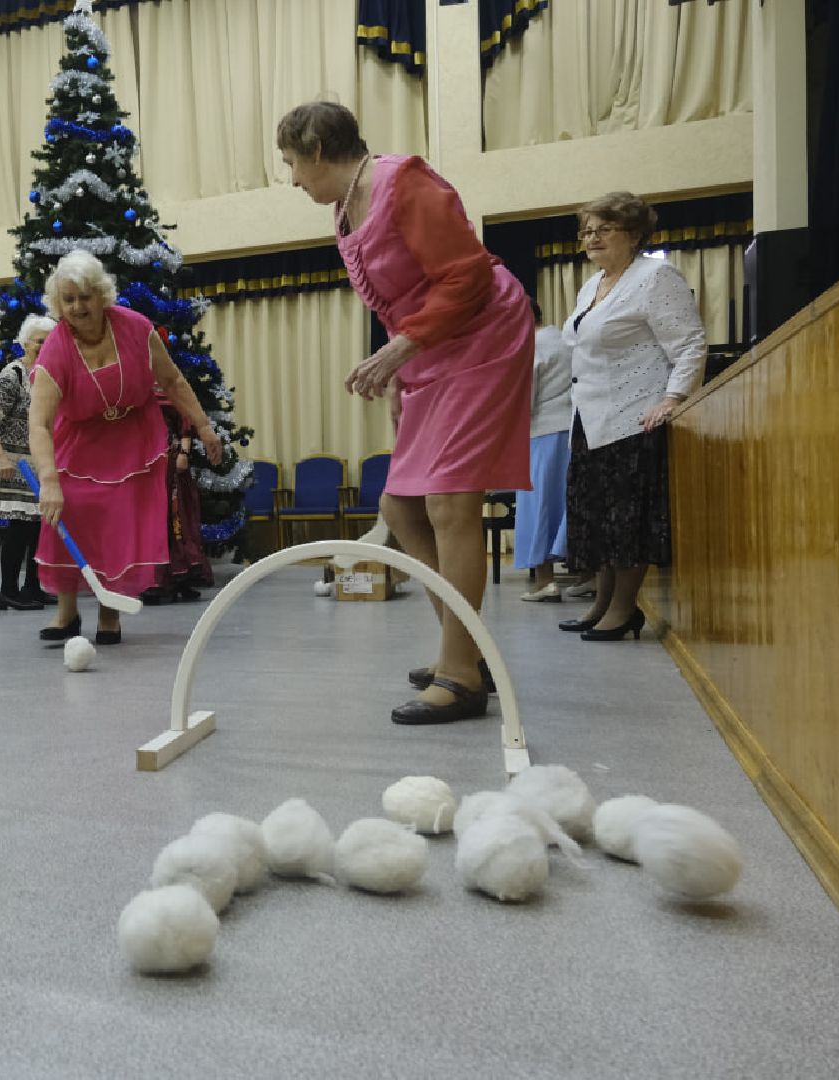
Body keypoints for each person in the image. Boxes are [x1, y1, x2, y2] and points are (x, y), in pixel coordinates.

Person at [278, 100, 533, 725]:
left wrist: (399, 350)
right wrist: (401, 367)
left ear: (316, 151)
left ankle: (461, 674)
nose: (292, 180)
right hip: (429, 349)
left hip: (481, 338)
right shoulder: (344, 207)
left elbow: (466, 277)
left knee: (449, 502)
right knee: (399, 505)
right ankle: (465, 649)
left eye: (291, 164)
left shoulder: (405, 181)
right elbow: (397, 298)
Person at [28, 250, 223, 645]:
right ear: (58, 305)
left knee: (117, 525)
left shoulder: (135, 328)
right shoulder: (56, 348)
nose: (78, 306)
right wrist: (48, 479)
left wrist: (204, 426)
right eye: (68, 299)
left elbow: (173, 381)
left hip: (133, 439)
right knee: (70, 518)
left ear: (101, 295)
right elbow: (40, 423)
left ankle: (109, 615)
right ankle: (66, 614)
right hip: (79, 442)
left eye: (85, 296)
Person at [558, 192, 705, 641]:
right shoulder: (591, 285)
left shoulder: (656, 276)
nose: (592, 238)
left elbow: (690, 344)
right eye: (586, 230)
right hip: (590, 416)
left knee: (627, 519)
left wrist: (674, 397)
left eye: (604, 229)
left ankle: (624, 609)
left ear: (635, 233)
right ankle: (601, 603)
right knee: (599, 516)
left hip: (634, 416)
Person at [0, 314, 57, 611]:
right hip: (12, 463)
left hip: (37, 464)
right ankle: (8, 590)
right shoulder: (13, 374)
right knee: (20, 527)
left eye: (51, 342)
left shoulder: (48, 376)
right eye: (40, 342)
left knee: (38, 526)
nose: (45, 347)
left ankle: (33, 587)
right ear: (25, 344)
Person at [514, 299, 573, 602]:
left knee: (538, 507)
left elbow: (525, 399)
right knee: (568, 505)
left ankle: (545, 581)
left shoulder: (530, 346)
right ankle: (587, 576)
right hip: (572, 428)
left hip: (542, 431)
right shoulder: (562, 338)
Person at [140, 392, 214, 604]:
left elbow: (185, 422)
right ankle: (154, 582)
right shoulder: (134, 391)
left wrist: (183, 452)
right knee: (151, 523)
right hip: (146, 466)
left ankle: (183, 578)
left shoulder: (169, 389)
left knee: (177, 520)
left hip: (170, 466)